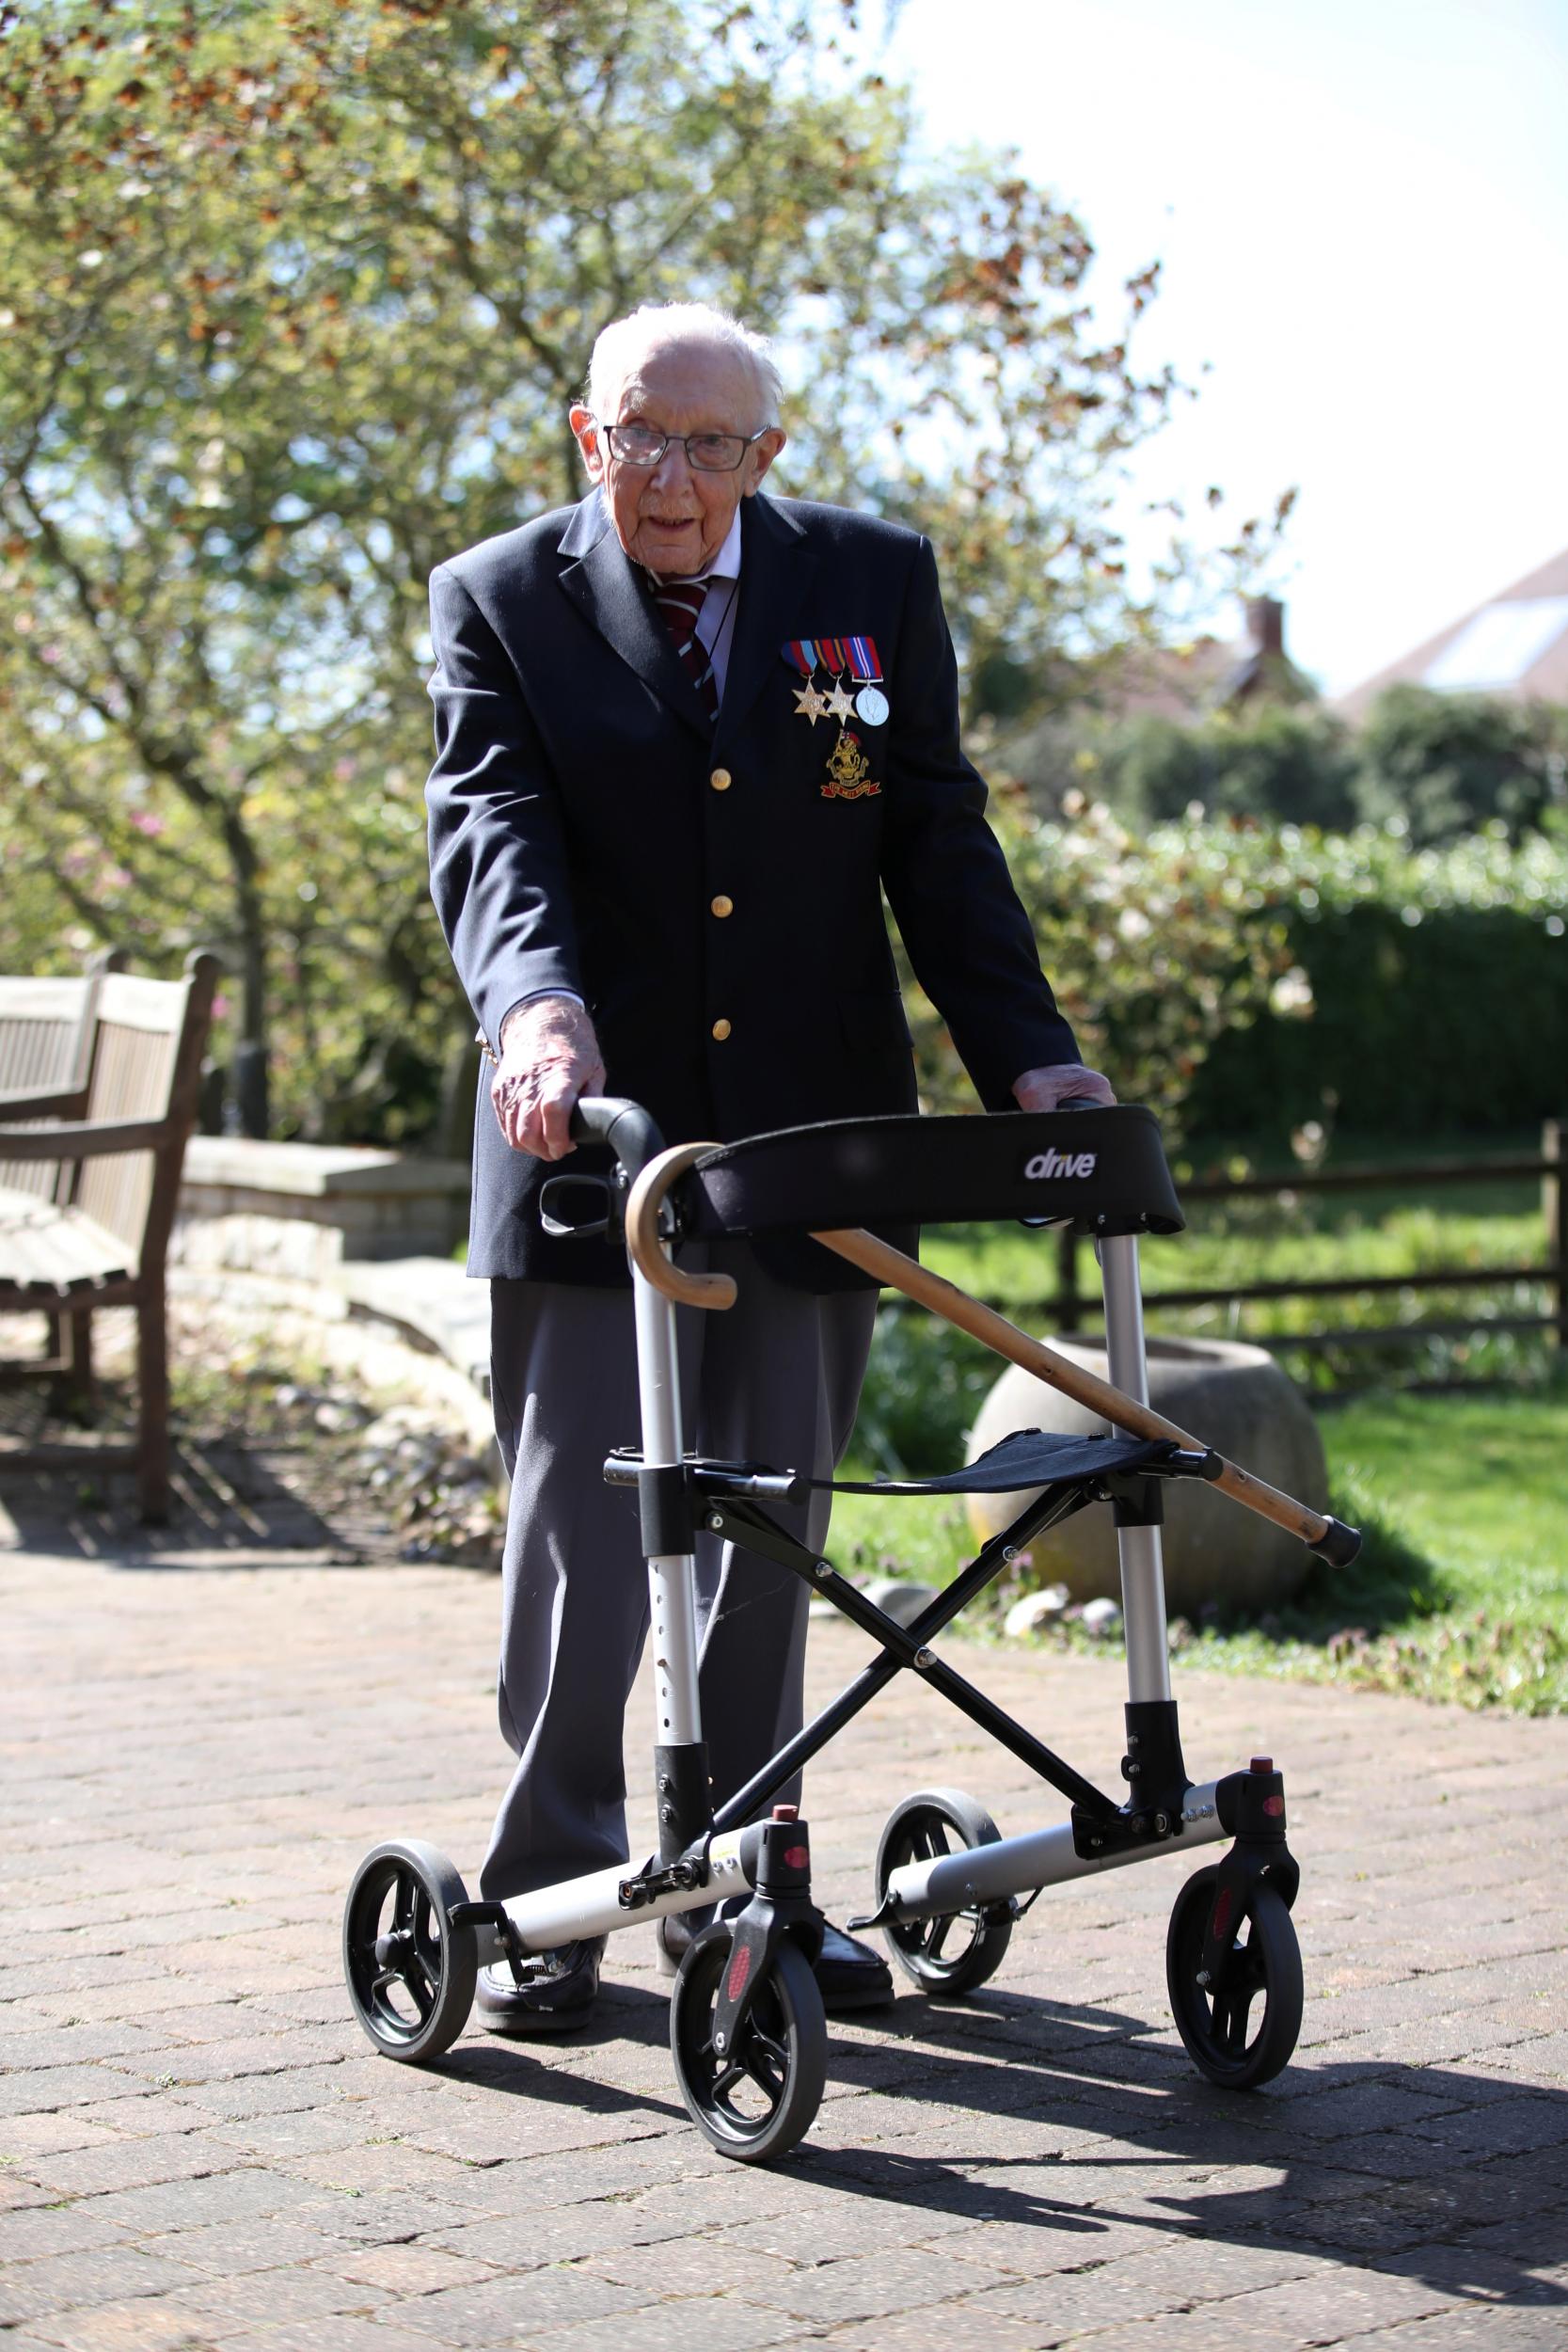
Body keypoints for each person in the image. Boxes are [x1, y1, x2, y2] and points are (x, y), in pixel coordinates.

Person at [425, 302, 1114, 2034]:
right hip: (592, 1144)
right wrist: (535, 1019)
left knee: (769, 1532)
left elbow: (935, 838)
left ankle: (742, 1895)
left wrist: (1025, 1049)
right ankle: (547, 1899)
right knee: (587, 1540)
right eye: (638, 439)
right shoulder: (497, 597)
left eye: (709, 445)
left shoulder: (870, 585)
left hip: (815, 1139)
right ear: (590, 438)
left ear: (768, 454)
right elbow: (493, 835)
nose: (671, 477)